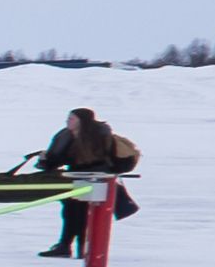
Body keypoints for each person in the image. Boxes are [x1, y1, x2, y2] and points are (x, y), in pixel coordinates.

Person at [34, 104, 140, 258]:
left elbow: (102, 159)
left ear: (81, 121)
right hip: (77, 178)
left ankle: (79, 248)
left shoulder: (99, 137)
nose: (67, 121)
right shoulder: (66, 136)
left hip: (96, 179)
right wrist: (45, 160)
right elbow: (56, 159)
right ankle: (69, 246)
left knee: (80, 213)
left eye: (71, 119)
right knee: (71, 212)